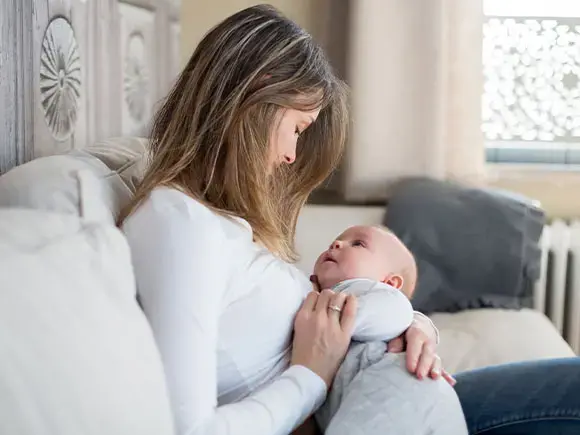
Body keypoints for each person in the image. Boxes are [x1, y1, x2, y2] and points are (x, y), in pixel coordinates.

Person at [120, 4, 580, 435]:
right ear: (259, 89)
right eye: (298, 128)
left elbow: (342, 305)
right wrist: (310, 377)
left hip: (382, 393)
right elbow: (190, 428)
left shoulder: (215, 219)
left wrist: (416, 324)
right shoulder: (177, 222)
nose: (289, 155)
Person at [310, 225, 467, 435]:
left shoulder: (372, 292)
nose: (336, 244)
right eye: (335, 241)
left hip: (401, 385)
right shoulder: (318, 293)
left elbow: (396, 312)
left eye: (358, 244)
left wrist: (330, 318)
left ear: (390, 283)